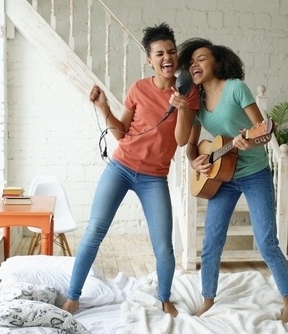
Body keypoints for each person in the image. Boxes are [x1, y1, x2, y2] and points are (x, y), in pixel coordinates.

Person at [62, 23, 199, 318]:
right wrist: (103, 107)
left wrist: (183, 108)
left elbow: (181, 140)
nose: (167, 57)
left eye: (172, 52)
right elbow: (123, 133)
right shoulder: (138, 88)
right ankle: (73, 297)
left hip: (154, 178)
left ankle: (164, 298)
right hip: (121, 167)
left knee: (164, 246)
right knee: (94, 231)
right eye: (160, 53)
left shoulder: (187, 93)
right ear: (149, 60)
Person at [178, 37, 288, 322]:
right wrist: (194, 160)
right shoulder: (196, 103)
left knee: (267, 240)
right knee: (211, 241)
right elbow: (191, 145)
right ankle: (208, 298)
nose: (195, 64)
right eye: (192, 61)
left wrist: (251, 142)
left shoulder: (235, 88)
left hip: (254, 174)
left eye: (202, 58)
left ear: (217, 62)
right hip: (222, 177)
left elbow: (265, 131)